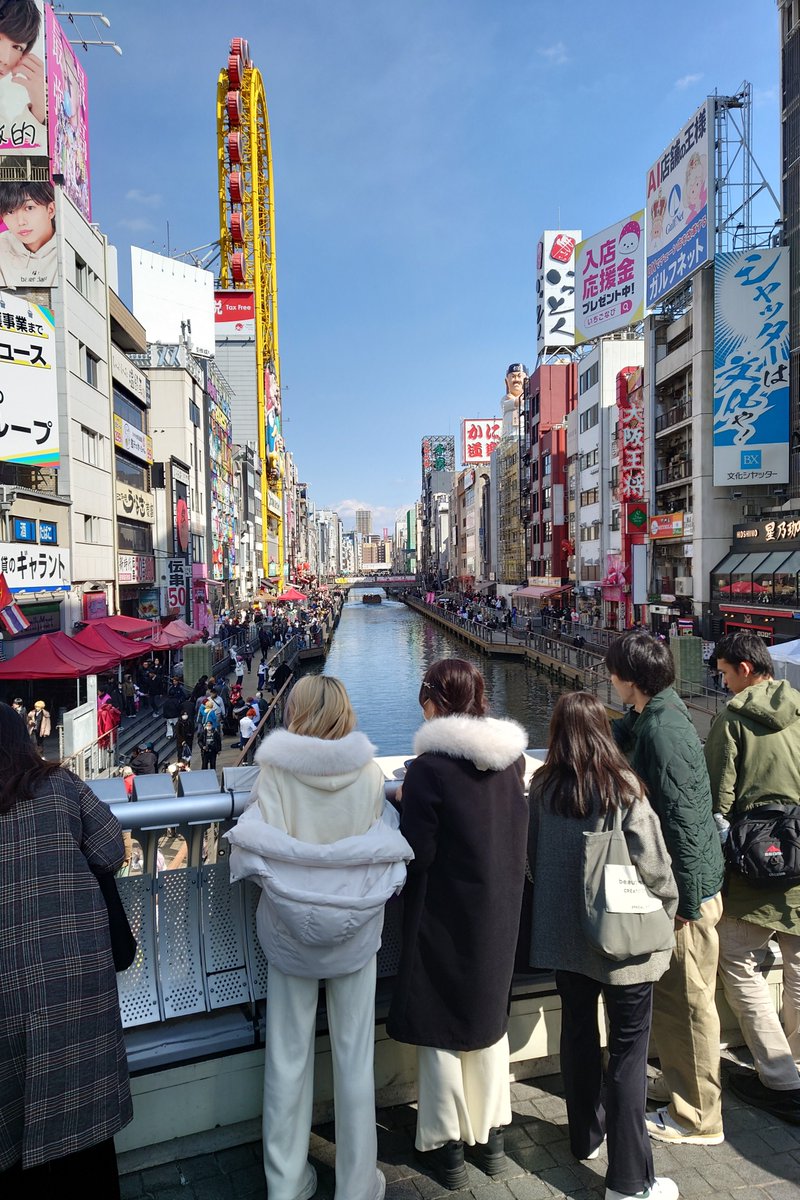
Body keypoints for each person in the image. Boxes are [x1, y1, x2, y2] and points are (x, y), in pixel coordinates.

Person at [227, 676, 412, 1200]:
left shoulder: (276, 770)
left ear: (299, 712)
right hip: (356, 932)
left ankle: (286, 1182)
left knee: (288, 1056)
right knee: (356, 1057)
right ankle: (358, 1184)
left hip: (290, 933)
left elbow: (261, 844)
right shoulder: (367, 773)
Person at [528, 692, 679, 1200]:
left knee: (576, 1033)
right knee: (628, 1054)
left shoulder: (542, 787)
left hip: (565, 938)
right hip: (623, 943)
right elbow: (655, 866)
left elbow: (533, 861)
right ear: (602, 730)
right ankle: (629, 1182)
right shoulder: (623, 789)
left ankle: (584, 1138)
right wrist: (670, 904)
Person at [386, 658, 528, 1189]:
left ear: (437, 701)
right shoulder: (511, 760)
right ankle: (490, 1141)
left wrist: (403, 800)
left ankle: (445, 1148)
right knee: (489, 1022)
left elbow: (418, 851)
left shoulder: (430, 768)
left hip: (443, 912)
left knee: (440, 1024)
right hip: (499, 908)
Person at [0, 702, 132, 1195]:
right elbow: (110, 849)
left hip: (7, 990)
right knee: (84, 1127)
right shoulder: (58, 786)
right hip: (73, 976)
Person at [606, 631, 725, 1145]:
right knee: (678, 998)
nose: (609, 679)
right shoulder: (661, 717)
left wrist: (688, 901)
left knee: (688, 1002)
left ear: (631, 680)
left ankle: (698, 1116)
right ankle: (681, 1088)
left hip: (687, 895)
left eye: (615, 673)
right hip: (687, 887)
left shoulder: (662, 732)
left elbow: (683, 819)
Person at [704, 632, 800, 1122]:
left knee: (737, 957)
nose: (721, 682)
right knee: (799, 964)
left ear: (743, 668)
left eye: (722, 672)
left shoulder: (733, 718)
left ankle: (781, 1078)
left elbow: (717, 799)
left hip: (756, 861)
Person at [0, 180, 56, 288]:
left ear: (50, 210)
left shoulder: (69, 246)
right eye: (10, 212)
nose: (20, 222)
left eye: (29, 208)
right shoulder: (2, 246)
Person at [199, 702, 221, 771]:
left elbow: (218, 741)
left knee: (212, 763)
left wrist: (218, 750)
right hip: (205, 750)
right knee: (205, 764)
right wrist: (203, 746)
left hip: (213, 750)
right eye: (208, 725)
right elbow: (199, 741)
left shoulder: (205, 711)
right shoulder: (203, 733)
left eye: (209, 725)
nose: (209, 726)